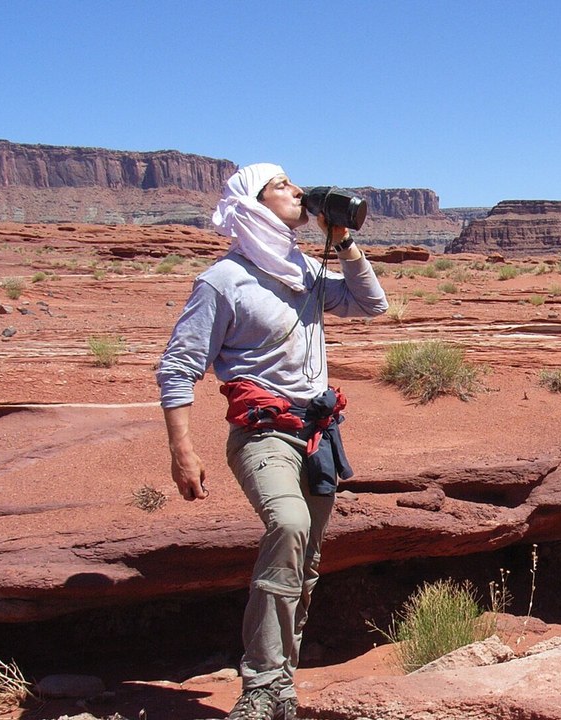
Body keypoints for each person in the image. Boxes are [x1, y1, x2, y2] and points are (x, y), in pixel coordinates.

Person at [156, 163, 388, 720]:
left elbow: (370, 305)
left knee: (305, 562)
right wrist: (181, 451)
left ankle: (280, 684)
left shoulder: (303, 268)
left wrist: (346, 244)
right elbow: (178, 366)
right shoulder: (223, 280)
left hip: (317, 434)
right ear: (253, 204)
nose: (297, 190)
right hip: (263, 434)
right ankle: (261, 684)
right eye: (281, 185)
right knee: (288, 524)